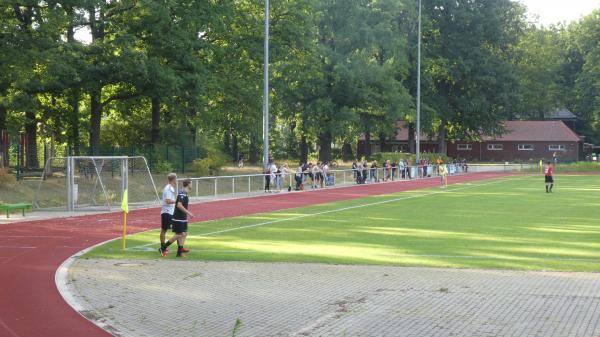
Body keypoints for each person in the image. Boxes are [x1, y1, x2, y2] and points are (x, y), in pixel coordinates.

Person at [160, 178, 195, 257]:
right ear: (188, 184)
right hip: (179, 217)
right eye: (191, 183)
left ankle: (179, 252)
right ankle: (163, 247)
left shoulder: (184, 193)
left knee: (184, 233)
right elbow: (179, 205)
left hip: (182, 217)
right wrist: (189, 213)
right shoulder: (182, 193)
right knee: (179, 234)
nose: (192, 185)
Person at [159, 173, 177, 254]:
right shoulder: (168, 188)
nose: (176, 181)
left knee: (177, 230)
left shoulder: (171, 188)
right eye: (176, 179)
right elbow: (168, 201)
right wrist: (178, 201)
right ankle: (163, 248)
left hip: (170, 212)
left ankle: (180, 248)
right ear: (173, 179)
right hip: (167, 212)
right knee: (164, 230)